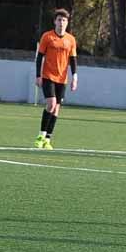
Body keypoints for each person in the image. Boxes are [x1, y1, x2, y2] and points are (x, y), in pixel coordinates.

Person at [33, 9, 78, 150]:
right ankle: (40, 136)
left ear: (67, 22)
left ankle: (47, 139)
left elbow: (73, 59)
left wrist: (74, 77)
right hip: (48, 76)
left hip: (62, 79)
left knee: (57, 109)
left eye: (64, 20)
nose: (61, 23)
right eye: (59, 20)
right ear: (55, 21)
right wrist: (38, 75)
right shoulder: (47, 37)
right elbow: (39, 57)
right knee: (51, 104)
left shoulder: (71, 40)